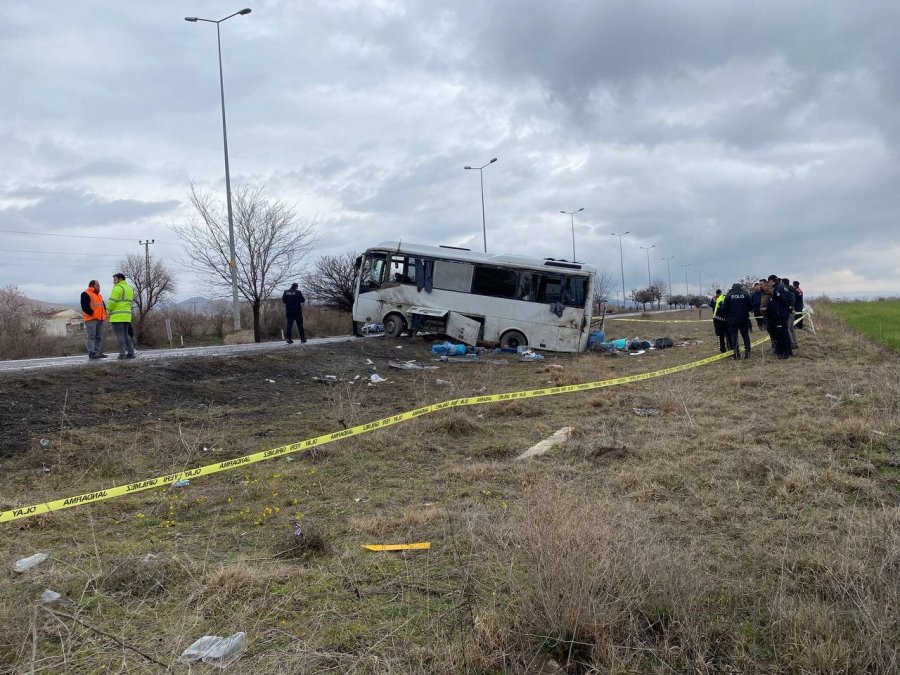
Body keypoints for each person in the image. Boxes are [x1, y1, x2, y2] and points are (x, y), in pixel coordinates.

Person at [107, 272, 136, 359]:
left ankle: (122, 354)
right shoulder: (130, 289)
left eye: (115, 279)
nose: (113, 282)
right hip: (127, 316)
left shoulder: (117, 288)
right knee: (126, 335)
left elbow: (112, 301)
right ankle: (131, 353)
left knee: (120, 335)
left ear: (120, 279)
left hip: (117, 316)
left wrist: (107, 311)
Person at [722, 282, 752, 359]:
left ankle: (736, 354)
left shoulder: (728, 296)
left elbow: (724, 309)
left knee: (734, 337)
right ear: (740, 287)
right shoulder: (745, 294)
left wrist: (727, 315)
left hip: (732, 320)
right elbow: (751, 307)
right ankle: (748, 353)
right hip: (744, 319)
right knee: (745, 336)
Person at [766, 274, 793, 359]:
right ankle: (788, 351)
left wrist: (778, 311)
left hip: (780, 315)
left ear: (771, 281)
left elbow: (782, 301)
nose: (769, 284)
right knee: (784, 333)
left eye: (768, 282)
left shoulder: (778, 288)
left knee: (781, 334)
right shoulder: (782, 287)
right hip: (783, 314)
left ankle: (784, 353)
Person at [80, 279, 108, 360]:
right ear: (92, 286)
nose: (99, 287)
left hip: (100, 318)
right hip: (91, 319)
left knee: (98, 337)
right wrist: (92, 313)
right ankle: (92, 353)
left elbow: (102, 305)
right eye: (98, 285)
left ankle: (98, 353)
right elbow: (84, 306)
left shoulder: (99, 295)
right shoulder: (85, 293)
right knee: (91, 336)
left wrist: (104, 314)